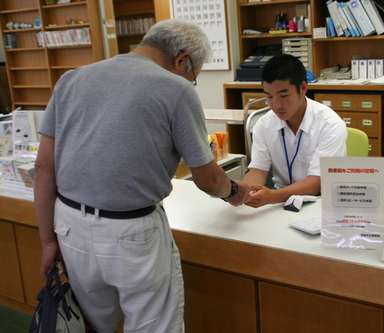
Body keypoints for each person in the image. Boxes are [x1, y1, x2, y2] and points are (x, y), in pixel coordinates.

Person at [34, 19, 252, 333]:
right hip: (133, 232)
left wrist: (46, 241)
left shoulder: (72, 78)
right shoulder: (175, 89)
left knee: (93, 325)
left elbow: (43, 168)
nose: (190, 83)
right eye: (194, 76)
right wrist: (234, 191)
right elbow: (207, 179)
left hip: (70, 226)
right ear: (182, 60)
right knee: (154, 326)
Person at [242, 54, 347, 208]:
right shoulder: (264, 124)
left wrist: (273, 197)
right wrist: (244, 192)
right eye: (269, 97)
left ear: (303, 88)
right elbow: (258, 170)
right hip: (280, 202)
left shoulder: (330, 124)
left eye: (284, 96)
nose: (276, 105)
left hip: (321, 203)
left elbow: (316, 183)